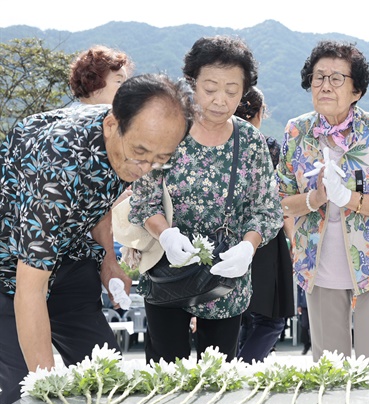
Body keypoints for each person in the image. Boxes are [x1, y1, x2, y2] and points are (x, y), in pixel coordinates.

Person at [0, 73, 194, 404]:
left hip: (70, 257)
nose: (145, 167)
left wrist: (109, 261)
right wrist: (49, 390)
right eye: (140, 153)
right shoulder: (58, 166)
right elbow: (29, 287)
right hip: (10, 273)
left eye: (161, 158)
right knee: (23, 394)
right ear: (111, 125)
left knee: (105, 379)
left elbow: (98, 197)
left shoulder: (136, 141)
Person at [128, 35, 282, 364]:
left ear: (244, 91)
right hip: (168, 273)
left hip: (225, 278)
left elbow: (266, 209)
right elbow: (144, 199)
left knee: (218, 375)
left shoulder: (251, 141)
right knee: (167, 372)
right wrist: (166, 234)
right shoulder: (168, 130)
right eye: (210, 88)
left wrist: (248, 247)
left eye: (231, 90)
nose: (220, 100)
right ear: (192, 82)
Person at [277, 40, 369, 365]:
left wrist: (348, 199)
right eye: (318, 77)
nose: (324, 85)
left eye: (336, 79)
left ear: (356, 90)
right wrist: (315, 198)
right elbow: (278, 201)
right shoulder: (297, 131)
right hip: (318, 265)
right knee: (330, 372)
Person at [69, 45, 136, 311]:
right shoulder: (102, 129)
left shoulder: (58, 123)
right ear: (94, 82)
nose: (125, 90)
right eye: (119, 82)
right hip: (71, 257)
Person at [234, 87, 295, 363]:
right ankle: (241, 369)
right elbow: (282, 199)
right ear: (260, 113)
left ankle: (229, 368)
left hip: (226, 237)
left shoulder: (218, 144)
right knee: (269, 321)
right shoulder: (268, 147)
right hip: (265, 240)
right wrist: (294, 240)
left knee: (236, 317)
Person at [69, 45, 134, 107]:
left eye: (125, 82)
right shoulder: (103, 115)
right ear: (93, 84)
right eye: (119, 81)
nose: (126, 88)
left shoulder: (64, 115)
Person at [297, 285, 311, 355]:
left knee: (315, 327)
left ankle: (314, 345)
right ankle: (306, 345)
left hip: (314, 304)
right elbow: (299, 291)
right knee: (304, 325)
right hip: (304, 306)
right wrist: (298, 305)